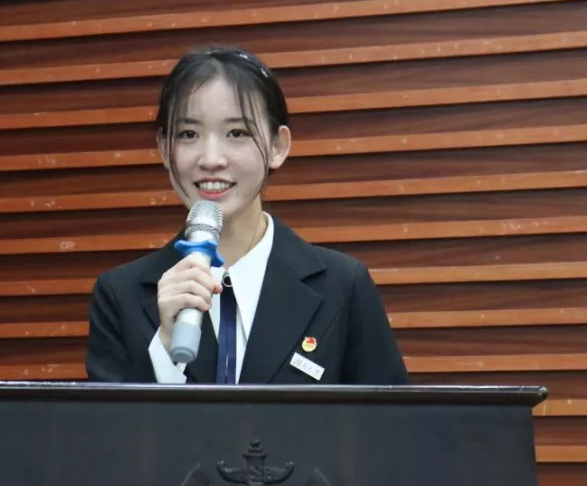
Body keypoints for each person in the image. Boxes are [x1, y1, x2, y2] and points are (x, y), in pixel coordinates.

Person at [85, 45, 408, 385]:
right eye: (188, 134)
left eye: (237, 133)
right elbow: (107, 420)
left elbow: (390, 416)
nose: (211, 159)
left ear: (277, 146)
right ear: (164, 148)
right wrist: (164, 353)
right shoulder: (120, 295)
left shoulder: (342, 287)